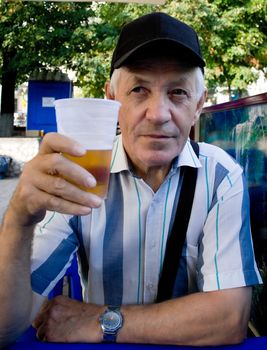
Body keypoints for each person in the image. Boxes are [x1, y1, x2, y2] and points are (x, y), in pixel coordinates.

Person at [0, 12, 262, 348]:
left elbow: (229, 319)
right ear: (112, 100)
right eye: (139, 89)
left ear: (199, 104)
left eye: (178, 92)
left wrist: (99, 320)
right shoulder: (76, 175)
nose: (158, 114)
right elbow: (5, 326)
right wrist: (19, 220)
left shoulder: (221, 177)